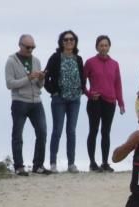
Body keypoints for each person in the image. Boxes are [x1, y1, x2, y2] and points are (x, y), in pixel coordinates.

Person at [5, 34, 50, 176]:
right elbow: (9, 84)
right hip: (19, 101)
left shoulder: (36, 60)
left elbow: (40, 85)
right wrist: (28, 78)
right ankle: (19, 166)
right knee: (18, 134)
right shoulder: (11, 61)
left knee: (42, 132)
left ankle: (38, 165)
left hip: (36, 101)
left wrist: (41, 79)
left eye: (33, 47)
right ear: (20, 45)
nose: (30, 50)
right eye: (28, 47)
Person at [44, 30, 86, 173]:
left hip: (75, 99)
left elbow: (82, 76)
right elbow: (46, 76)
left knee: (71, 131)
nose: (69, 42)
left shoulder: (78, 58)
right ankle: (53, 163)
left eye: (72, 39)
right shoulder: (56, 57)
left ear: (75, 42)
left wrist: (82, 89)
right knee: (57, 130)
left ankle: (71, 164)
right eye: (66, 40)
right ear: (61, 42)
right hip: (59, 99)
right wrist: (53, 91)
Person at [84, 35, 125, 173]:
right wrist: (89, 94)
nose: (103, 47)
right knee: (93, 130)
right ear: (97, 47)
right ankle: (92, 163)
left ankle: (105, 162)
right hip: (95, 101)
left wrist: (121, 102)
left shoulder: (115, 64)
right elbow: (82, 82)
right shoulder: (90, 62)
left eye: (106, 45)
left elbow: (117, 84)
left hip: (110, 101)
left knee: (106, 132)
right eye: (101, 45)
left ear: (109, 47)